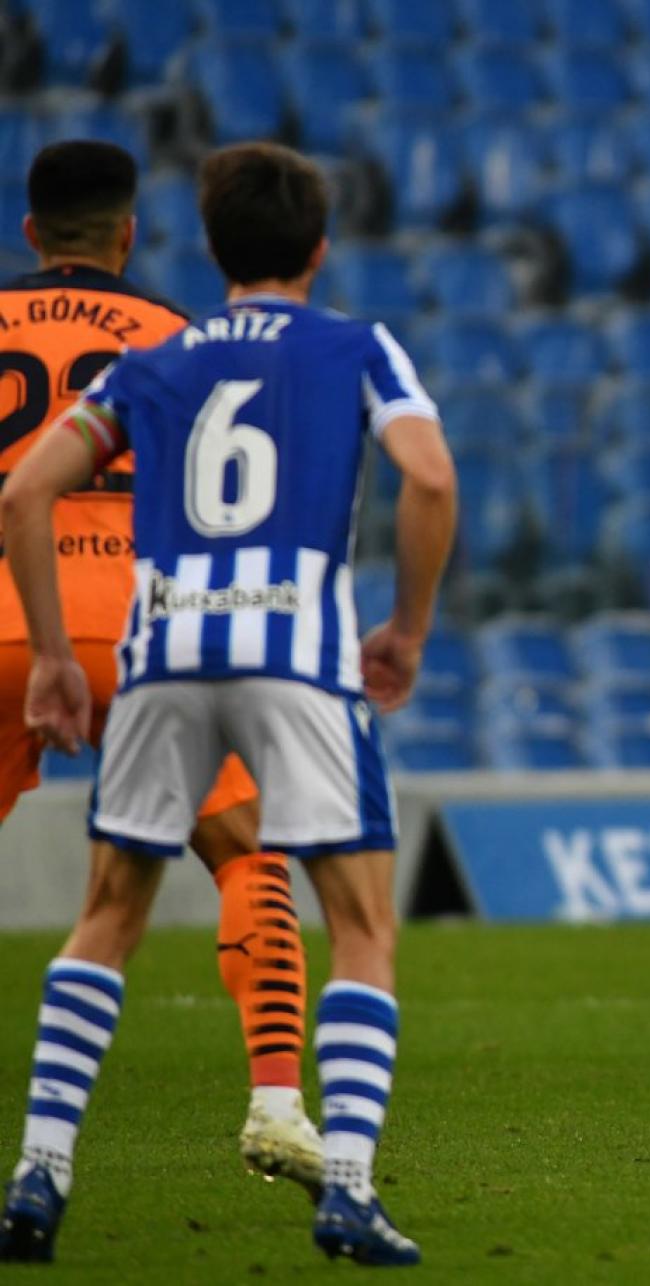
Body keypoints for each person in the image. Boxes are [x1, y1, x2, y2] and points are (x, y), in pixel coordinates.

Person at [0, 142, 457, 1265]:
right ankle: (340, 1177)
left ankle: (40, 1172)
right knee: (355, 917)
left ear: (207, 247)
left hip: (160, 647)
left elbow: (24, 487)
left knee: (109, 912)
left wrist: (58, 653)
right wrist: (403, 627)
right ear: (320, 247)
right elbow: (431, 476)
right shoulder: (354, 344)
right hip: (293, 653)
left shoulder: (166, 357)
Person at [0, 140, 322, 1192]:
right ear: (131, 235)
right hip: (138, 624)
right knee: (247, 854)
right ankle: (277, 1095)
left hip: (9, 603)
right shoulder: (174, 338)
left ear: (32, 233)